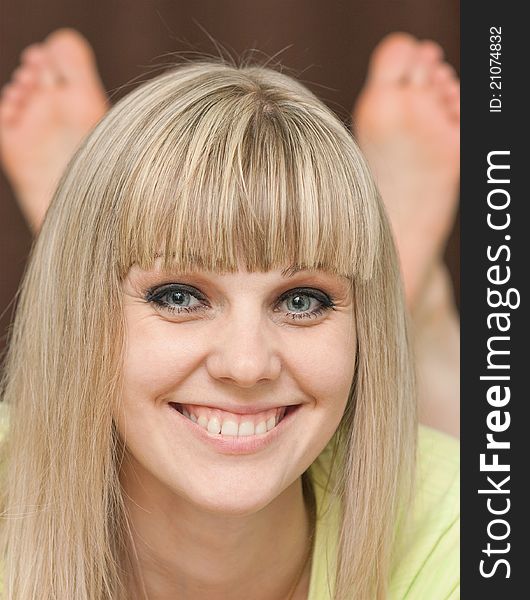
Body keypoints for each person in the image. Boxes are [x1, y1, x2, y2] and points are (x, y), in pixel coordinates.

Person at [0, 33, 459, 599]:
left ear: (367, 333)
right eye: (178, 296)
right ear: (79, 312)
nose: (246, 366)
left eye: (301, 301)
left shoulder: (470, 529)